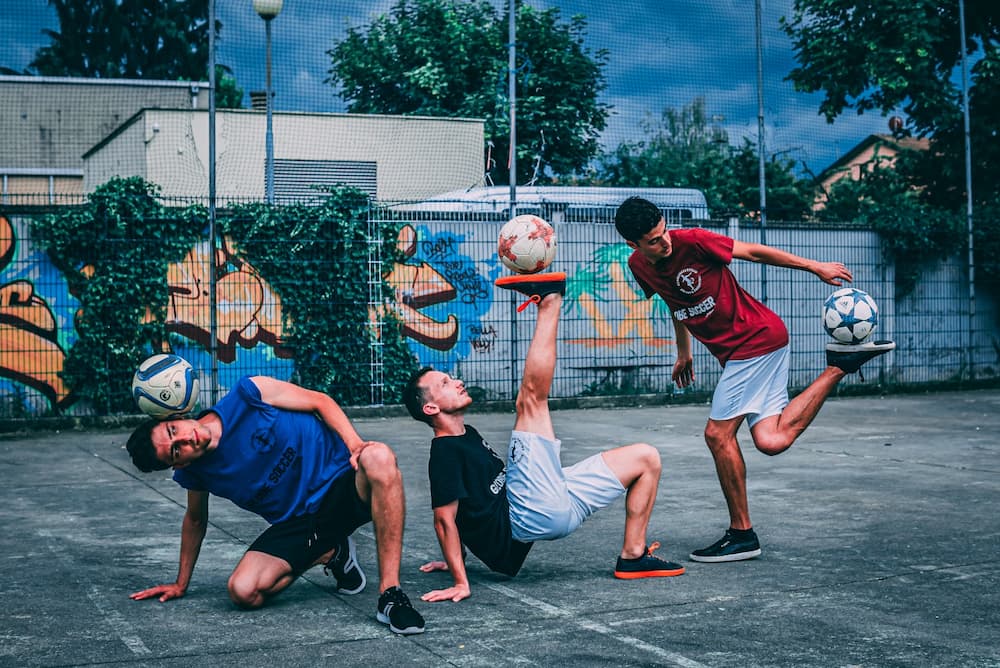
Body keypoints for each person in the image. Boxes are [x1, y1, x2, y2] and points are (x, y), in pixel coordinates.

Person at [613, 196, 895, 563]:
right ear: (634, 245)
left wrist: (815, 266)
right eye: (654, 240)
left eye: (664, 231)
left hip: (755, 340)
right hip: (754, 348)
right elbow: (673, 301)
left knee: (717, 434)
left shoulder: (694, 240)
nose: (665, 242)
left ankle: (742, 533)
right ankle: (840, 366)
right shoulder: (640, 266)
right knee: (771, 439)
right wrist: (684, 352)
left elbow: (755, 252)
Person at [403, 272, 684, 603]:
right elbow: (444, 519)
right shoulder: (445, 453)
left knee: (646, 457)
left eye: (451, 377)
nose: (457, 381)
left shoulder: (466, 435)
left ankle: (633, 555)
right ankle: (549, 300)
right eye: (446, 383)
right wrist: (460, 579)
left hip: (552, 505)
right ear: (432, 407)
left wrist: (457, 558)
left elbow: (470, 508)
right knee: (530, 401)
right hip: (526, 514)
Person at [125, 375, 425, 635]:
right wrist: (181, 583)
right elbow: (194, 520)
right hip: (302, 523)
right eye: (176, 452)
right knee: (243, 591)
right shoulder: (195, 473)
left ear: (173, 418)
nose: (185, 440)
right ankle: (333, 553)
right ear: (180, 463)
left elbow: (319, 402)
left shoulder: (248, 394)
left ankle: (391, 594)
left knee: (379, 457)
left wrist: (355, 445)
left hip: (342, 483)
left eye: (172, 432)